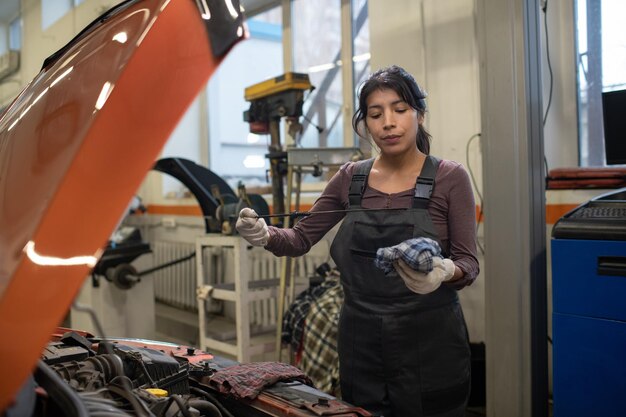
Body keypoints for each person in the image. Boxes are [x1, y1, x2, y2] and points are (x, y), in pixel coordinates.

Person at [236, 64, 479, 417]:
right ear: (366, 123)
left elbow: (468, 264)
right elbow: (300, 238)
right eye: (376, 114)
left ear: (420, 115)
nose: (388, 123)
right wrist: (265, 234)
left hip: (430, 341)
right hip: (361, 340)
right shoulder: (351, 179)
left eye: (400, 110)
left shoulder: (450, 178)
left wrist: (443, 271)